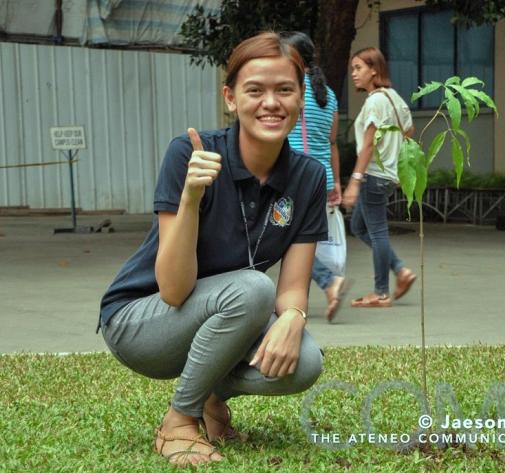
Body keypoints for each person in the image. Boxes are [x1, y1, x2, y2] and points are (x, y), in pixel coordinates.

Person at [98, 32, 326, 466]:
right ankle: (178, 421)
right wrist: (190, 197)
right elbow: (173, 290)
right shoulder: (192, 152)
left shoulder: (308, 177)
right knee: (255, 289)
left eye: (285, 90)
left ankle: (210, 397)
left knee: (307, 361)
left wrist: (294, 317)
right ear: (231, 97)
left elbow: (294, 285)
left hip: (226, 313)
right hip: (142, 320)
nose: (271, 103)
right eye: (254, 90)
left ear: (300, 98)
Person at [342, 47, 416, 308]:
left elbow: (369, 145)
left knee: (376, 231)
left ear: (375, 69)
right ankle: (400, 270)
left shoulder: (375, 101)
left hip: (374, 176)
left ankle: (381, 293)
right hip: (389, 176)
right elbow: (409, 132)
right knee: (359, 227)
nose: (354, 74)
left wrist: (354, 180)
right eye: (352, 69)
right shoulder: (394, 98)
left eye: (358, 68)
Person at [283, 31, 347, 322]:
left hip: (296, 174)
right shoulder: (329, 95)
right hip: (321, 176)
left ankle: (328, 282)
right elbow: (332, 143)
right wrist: (336, 183)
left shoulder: (291, 89)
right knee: (301, 237)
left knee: (290, 239)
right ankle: (297, 303)